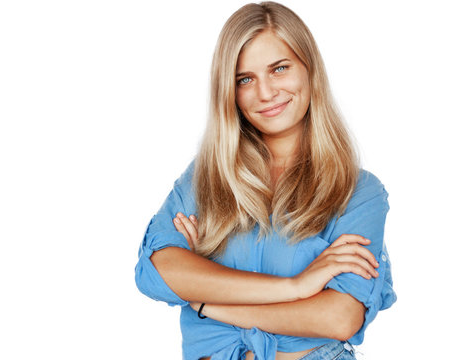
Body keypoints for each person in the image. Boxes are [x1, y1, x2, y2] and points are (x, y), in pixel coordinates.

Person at [135, 2, 396, 359]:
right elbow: (156, 272)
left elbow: (340, 317)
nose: (265, 92)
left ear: (310, 69)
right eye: (245, 79)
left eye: (279, 68)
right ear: (229, 90)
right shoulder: (206, 178)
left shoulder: (357, 193)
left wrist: (206, 300)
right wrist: (298, 287)